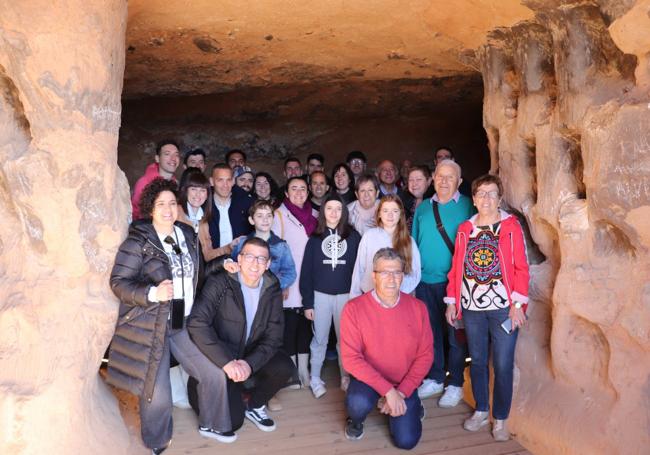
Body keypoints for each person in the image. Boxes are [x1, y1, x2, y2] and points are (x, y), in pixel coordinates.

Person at [107, 178, 232, 453]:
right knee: (157, 393)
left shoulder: (187, 234)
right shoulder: (138, 241)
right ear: (150, 208)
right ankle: (157, 440)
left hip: (183, 321)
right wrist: (153, 293)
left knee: (213, 373)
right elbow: (119, 283)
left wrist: (224, 264)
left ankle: (213, 422)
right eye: (160, 204)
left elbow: (196, 275)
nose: (167, 209)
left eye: (172, 203)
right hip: (154, 323)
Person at [445, 174, 529, 442]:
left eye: (492, 193)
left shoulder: (510, 226)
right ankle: (481, 410)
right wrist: (452, 301)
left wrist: (518, 304)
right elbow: (456, 268)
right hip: (471, 308)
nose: (486, 199)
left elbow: (521, 268)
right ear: (474, 198)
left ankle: (500, 418)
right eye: (481, 193)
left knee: (502, 363)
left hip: (504, 308)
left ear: (500, 198)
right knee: (478, 361)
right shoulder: (464, 229)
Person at [188, 238, 296, 438]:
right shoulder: (221, 282)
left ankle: (253, 405)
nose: (255, 264)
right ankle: (220, 393)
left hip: (249, 354)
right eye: (249, 257)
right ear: (239, 258)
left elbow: (274, 337)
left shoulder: (272, 288)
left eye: (261, 259)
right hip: (220, 356)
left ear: (268, 264)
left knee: (284, 366)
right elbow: (197, 323)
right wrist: (226, 362)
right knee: (232, 422)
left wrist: (249, 364)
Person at [341, 248, 433, 449]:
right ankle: (355, 422)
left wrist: (401, 392)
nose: (391, 279)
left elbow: (426, 355)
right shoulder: (354, 308)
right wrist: (388, 392)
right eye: (384, 272)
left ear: (403, 276)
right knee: (357, 403)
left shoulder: (418, 308)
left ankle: (411, 402)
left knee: (406, 441)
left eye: (397, 272)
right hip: (369, 380)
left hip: (403, 381)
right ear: (374, 276)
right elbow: (350, 359)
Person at [412, 159, 475, 405]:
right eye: (440, 176)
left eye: (451, 177)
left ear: (459, 181)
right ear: (433, 179)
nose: (445, 181)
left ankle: (456, 383)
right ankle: (436, 378)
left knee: (455, 334)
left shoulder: (470, 206)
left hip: (456, 284)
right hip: (425, 281)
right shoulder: (424, 208)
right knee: (431, 332)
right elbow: (414, 245)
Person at [300, 194, 361, 397]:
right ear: (323, 212)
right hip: (320, 296)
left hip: (346, 297)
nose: (334, 213)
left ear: (343, 212)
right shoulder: (315, 239)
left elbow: (359, 270)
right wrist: (308, 303)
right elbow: (306, 273)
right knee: (320, 338)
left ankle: (346, 376)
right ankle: (315, 377)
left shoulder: (353, 237)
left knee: (346, 339)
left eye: (338, 208)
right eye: (329, 208)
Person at [271, 176, 317, 386]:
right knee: (289, 326)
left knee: (306, 324)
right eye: (294, 189)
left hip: (310, 279)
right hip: (289, 280)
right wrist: (281, 281)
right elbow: (274, 250)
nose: (299, 193)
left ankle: (303, 370)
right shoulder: (279, 215)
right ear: (287, 193)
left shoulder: (315, 216)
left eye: (303, 189)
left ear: (308, 193)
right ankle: (290, 372)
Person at [350, 195, 421, 298]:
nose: (390, 215)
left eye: (395, 211)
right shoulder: (369, 236)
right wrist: (354, 296)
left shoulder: (409, 241)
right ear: (379, 214)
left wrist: (397, 292)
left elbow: (415, 273)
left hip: (397, 299)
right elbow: (359, 269)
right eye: (385, 211)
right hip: (370, 296)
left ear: (400, 214)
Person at [200, 164, 253, 265]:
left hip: (241, 264)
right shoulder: (203, 206)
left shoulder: (246, 203)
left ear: (233, 181)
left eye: (228, 180)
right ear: (211, 181)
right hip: (212, 265)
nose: (225, 185)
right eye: (220, 180)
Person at [131, 139, 180, 220]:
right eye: (167, 154)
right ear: (157, 158)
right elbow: (135, 214)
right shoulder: (144, 183)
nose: (173, 158)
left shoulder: (176, 183)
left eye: (176, 155)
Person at [402, 165, 434, 232]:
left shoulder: (436, 201)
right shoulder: (404, 200)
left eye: (419, 179)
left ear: (429, 181)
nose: (414, 184)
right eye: (411, 180)